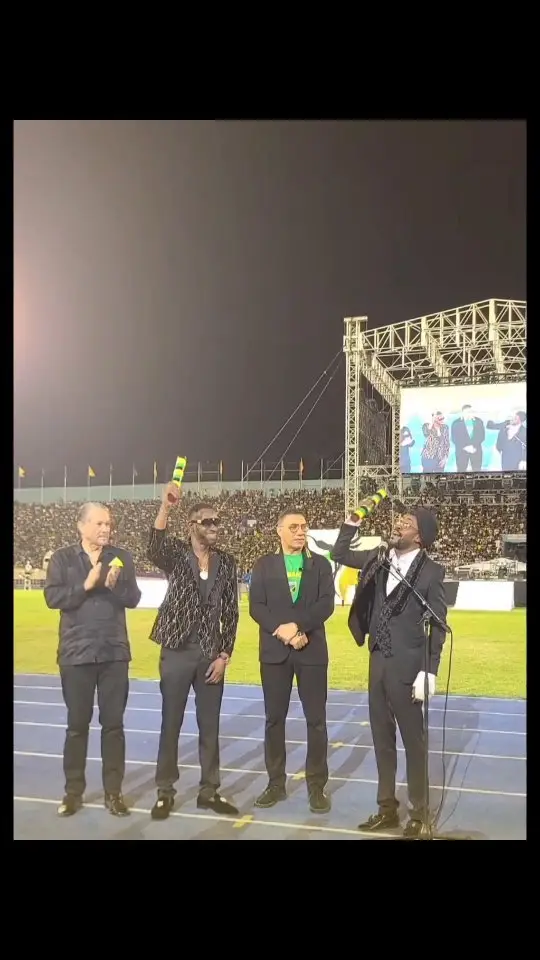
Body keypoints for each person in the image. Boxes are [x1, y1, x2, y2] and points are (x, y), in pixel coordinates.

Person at [331, 506, 447, 838]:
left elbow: (438, 627)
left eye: (407, 524)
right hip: (377, 662)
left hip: (409, 668)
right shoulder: (379, 558)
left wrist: (430, 671)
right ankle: (386, 809)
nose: (398, 525)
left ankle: (420, 814)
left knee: (414, 743)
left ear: (421, 536)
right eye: (399, 521)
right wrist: (351, 523)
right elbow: (340, 552)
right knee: (382, 739)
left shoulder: (431, 573)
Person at [147, 484, 239, 820]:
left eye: (217, 522)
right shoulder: (175, 553)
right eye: (208, 522)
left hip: (210, 655)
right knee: (170, 724)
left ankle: (209, 791)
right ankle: (164, 792)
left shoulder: (227, 562)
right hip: (175, 650)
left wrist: (224, 654)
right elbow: (152, 546)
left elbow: (232, 611)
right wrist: (166, 508)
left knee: (209, 727)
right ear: (192, 525)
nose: (214, 526)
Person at [44, 503, 141, 818]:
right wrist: (85, 585)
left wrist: (117, 585)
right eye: (99, 523)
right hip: (76, 654)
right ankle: (73, 792)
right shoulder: (62, 559)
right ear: (81, 526)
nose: (105, 529)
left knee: (113, 727)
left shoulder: (121, 557)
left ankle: (113, 793)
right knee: (76, 727)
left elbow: (135, 598)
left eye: (108, 524)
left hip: (114, 653)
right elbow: (52, 597)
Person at [249, 509, 335, 814]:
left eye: (304, 527)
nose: (300, 532)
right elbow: (256, 606)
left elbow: (326, 605)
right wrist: (282, 631)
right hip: (275, 653)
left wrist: (297, 628)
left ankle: (316, 786)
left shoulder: (320, 565)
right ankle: (275, 784)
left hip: (311, 652)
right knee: (274, 720)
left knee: (316, 721)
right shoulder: (264, 565)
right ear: (279, 531)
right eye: (294, 527)